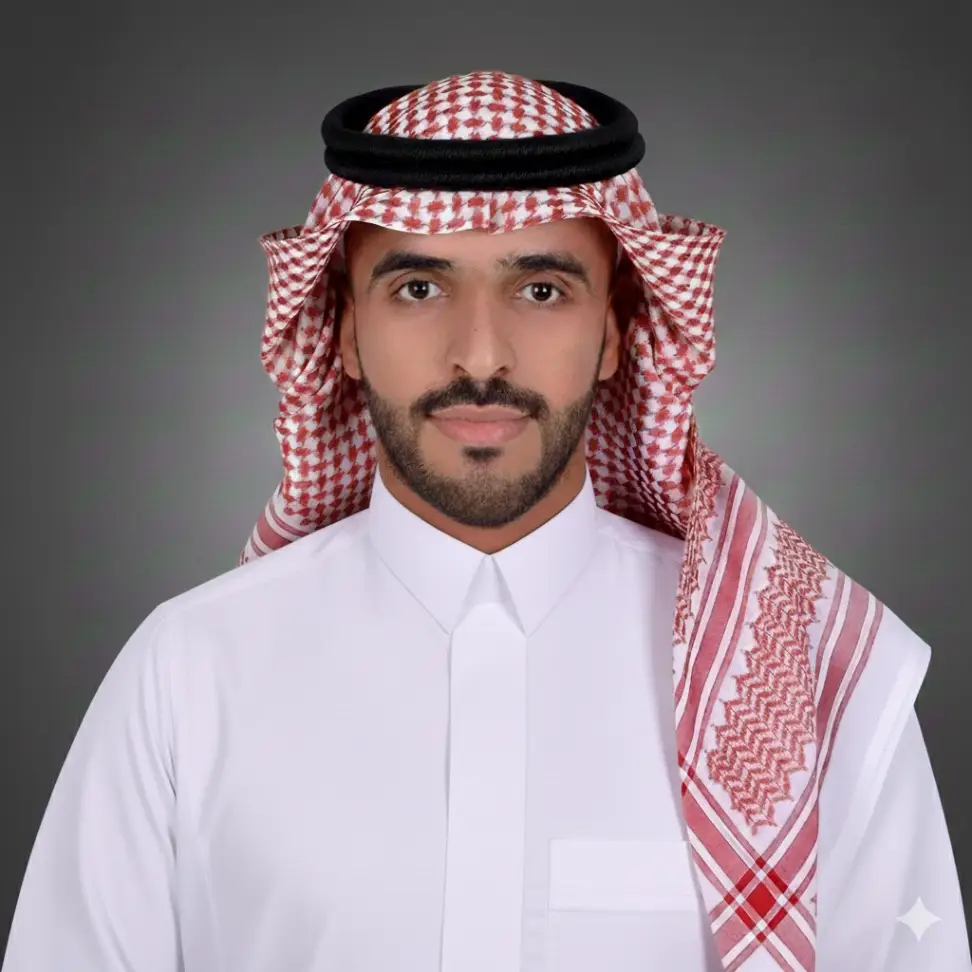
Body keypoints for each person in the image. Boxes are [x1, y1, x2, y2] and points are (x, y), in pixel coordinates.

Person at [2, 71, 969, 972]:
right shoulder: (189, 672)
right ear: (344, 331)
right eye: (418, 288)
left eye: (541, 290)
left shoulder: (804, 671)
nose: (479, 355)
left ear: (613, 335)